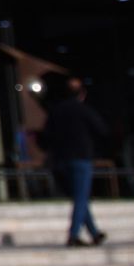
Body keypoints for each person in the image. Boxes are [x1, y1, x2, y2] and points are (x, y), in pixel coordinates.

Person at [41, 74, 111, 247]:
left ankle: (94, 233)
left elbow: (45, 137)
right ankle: (73, 234)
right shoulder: (83, 110)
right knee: (81, 196)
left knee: (79, 196)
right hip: (80, 158)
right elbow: (102, 130)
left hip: (60, 160)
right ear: (82, 94)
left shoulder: (55, 112)